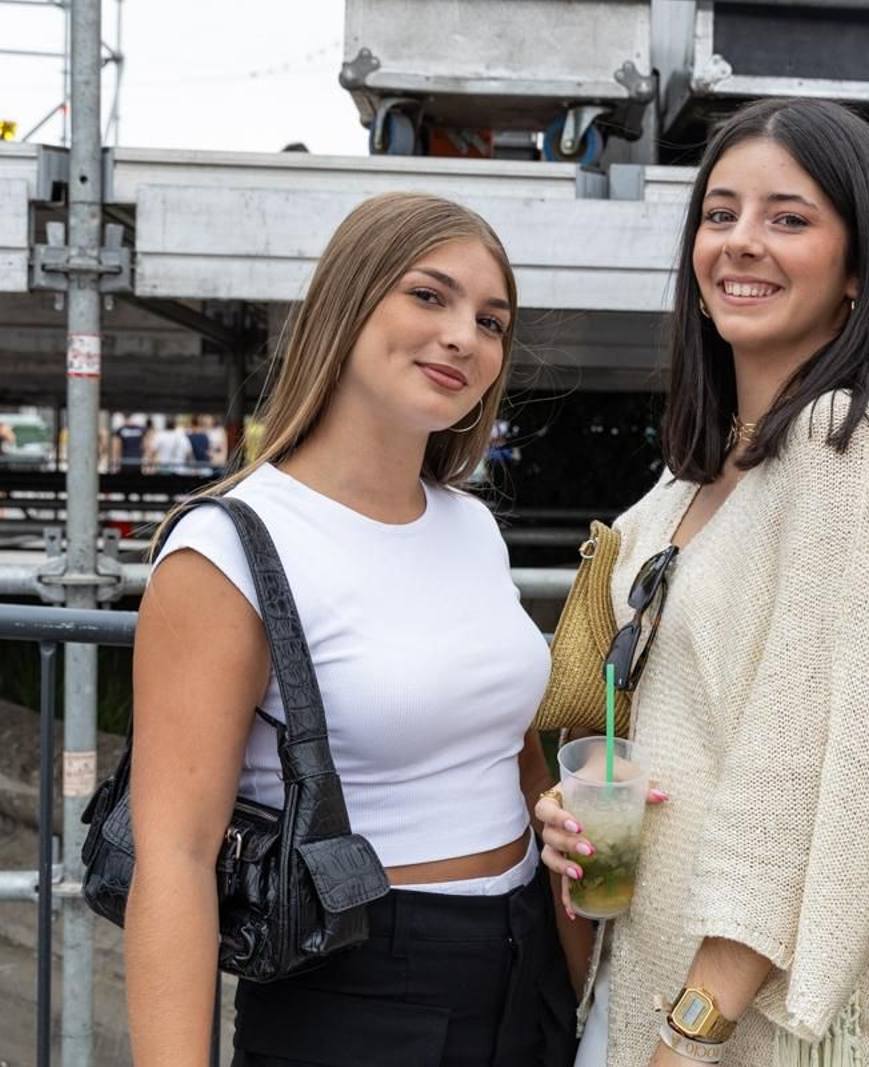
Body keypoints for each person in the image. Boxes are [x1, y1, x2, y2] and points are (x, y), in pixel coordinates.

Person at [534, 97, 869, 1067]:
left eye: (788, 217)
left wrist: (693, 1029)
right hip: (648, 996)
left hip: (773, 1032)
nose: (741, 242)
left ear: (857, 271)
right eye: (719, 214)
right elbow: (672, 732)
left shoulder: (846, 443)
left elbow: (793, 773)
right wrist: (576, 820)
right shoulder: (682, 484)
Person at [125, 192, 581, 1066]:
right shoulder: (230, 543)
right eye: (429, 295)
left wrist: (549, 814)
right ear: (348, 299)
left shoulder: (470, 524)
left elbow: (506, 740)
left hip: (527, 971)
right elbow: (176, 858)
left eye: (492, 320)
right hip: (357, 994)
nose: (464, 336)